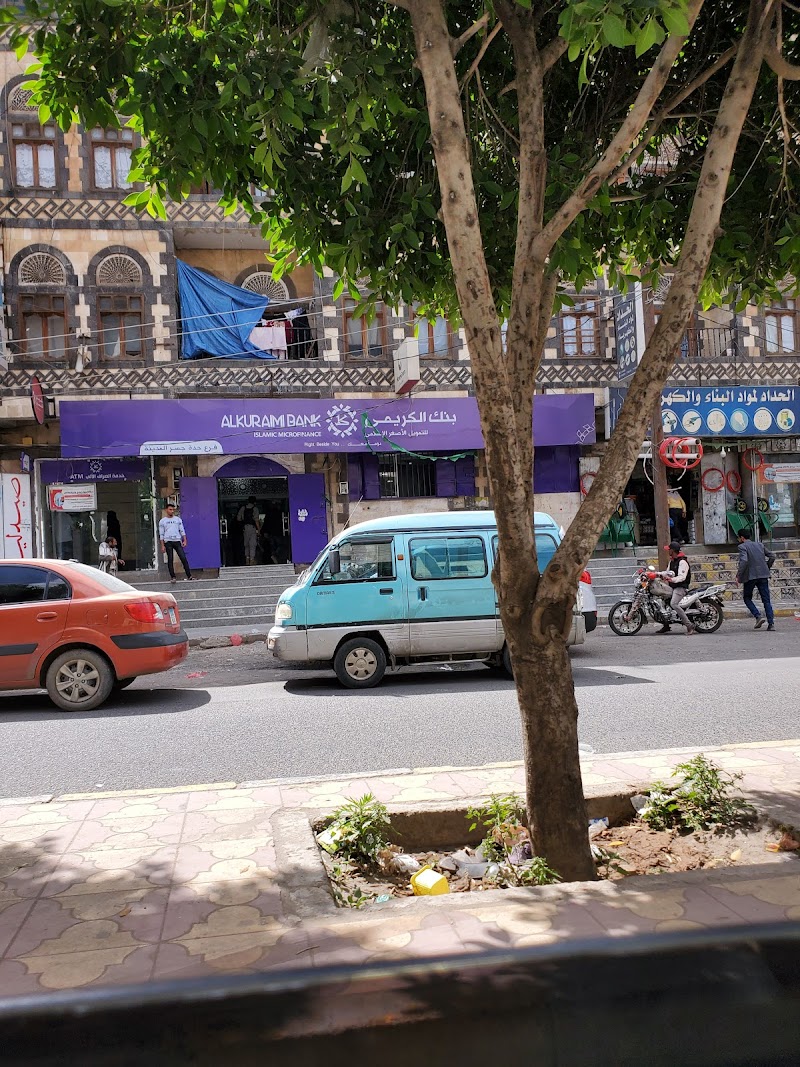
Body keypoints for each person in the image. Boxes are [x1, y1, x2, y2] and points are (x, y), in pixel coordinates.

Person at [736, 532, 775, 630]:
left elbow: (744, 561)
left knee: (747, 598)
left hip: (750, 576)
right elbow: (772, 556)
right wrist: (767, 567)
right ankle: (771, 624)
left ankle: (758, 616)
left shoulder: (742, 547)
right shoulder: (760, 545)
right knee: (766, 600)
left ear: (742, 538)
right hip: (763, 575)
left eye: (738, 538)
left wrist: (739, 575)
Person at [655, 540, 696, 635]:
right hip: (673, 587)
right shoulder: (672, 561)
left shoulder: (682, 562)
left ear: (672, 551)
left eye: (669, 549)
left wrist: (672, 579)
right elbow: (667, 572)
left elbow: (682, 577)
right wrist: (656, 574)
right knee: (662, 600)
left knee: (673, 604)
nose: (668, 551)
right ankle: (666, 625)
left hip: (681, 587)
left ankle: (689, 625)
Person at [158, 503, 194, 583]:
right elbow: (161, 534)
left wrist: (185, 540)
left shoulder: (177, 520)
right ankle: (173, 577)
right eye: (170, 509)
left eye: (173, 510)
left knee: (183, 558)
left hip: (177, 540)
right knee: (170, 559)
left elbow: (182, 530)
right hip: (168, 541)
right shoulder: (163, 521)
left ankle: (189, 576)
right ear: (166, 510)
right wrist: (162, 545)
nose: (172, 511)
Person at [236, 496, 261, 565]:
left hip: (245, 528)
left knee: (246, 544)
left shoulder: (243, 508)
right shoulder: (255, 509)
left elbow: (238, 519)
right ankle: (251, 560)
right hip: (252, 528)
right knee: (252, 544)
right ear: (254, 502)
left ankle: (247, 559)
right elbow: (256, 520)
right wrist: (259, 530)